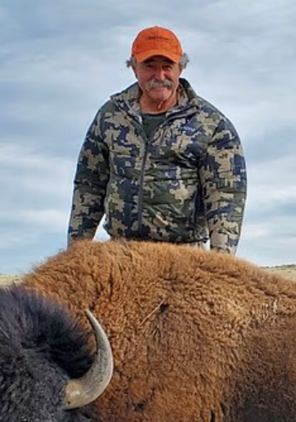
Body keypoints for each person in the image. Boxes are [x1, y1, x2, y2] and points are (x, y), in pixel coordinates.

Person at [67, 25, 248, 254]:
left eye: (167, 66)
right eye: (149, 66)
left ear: (181, 68)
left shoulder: (212, 125)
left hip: (184, 256)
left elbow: (226, 195)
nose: (159, 76)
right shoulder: (110, 116)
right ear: (134, 68)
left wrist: (222, 262)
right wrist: (74, 253)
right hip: (122, 254)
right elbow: (89, 185)